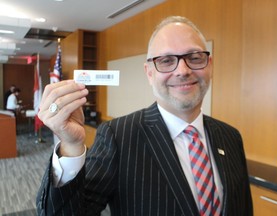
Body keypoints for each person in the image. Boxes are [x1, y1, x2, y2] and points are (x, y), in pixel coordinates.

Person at [36, 16, 253, 216]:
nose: (183, 70)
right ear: (149, 73)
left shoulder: (231, 137)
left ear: (210, 65)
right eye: (167, 61)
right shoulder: (118, 137)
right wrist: (71, 147)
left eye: (194, 57)